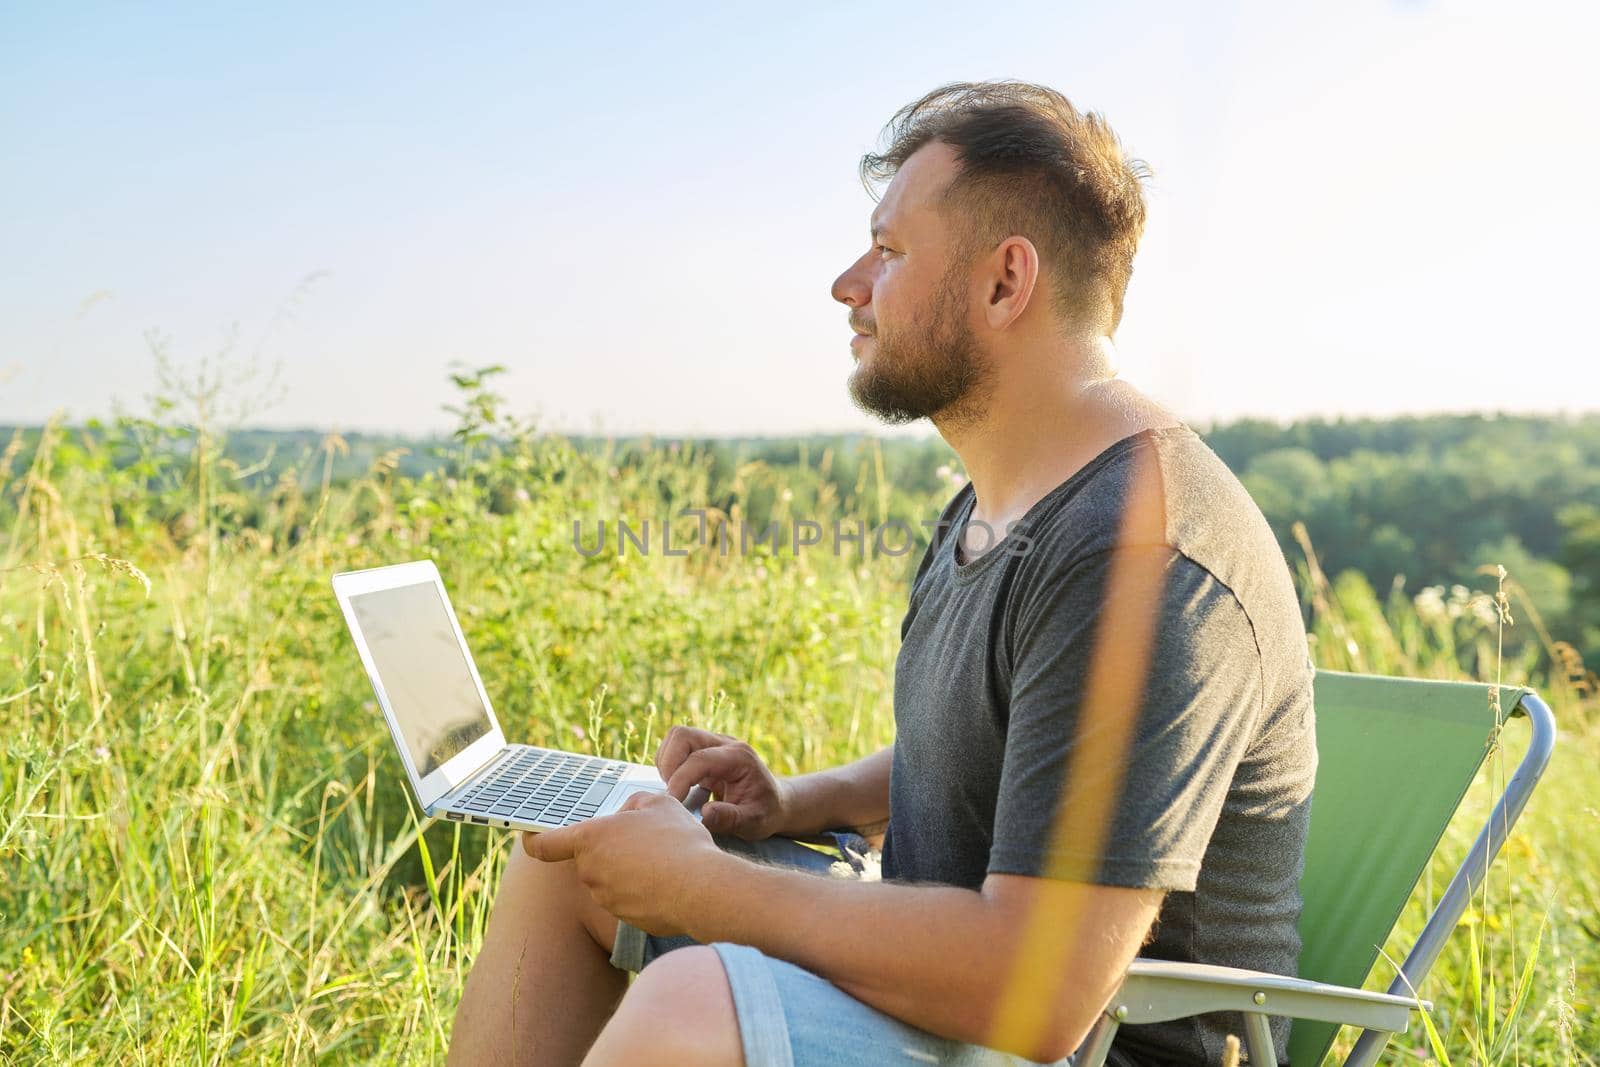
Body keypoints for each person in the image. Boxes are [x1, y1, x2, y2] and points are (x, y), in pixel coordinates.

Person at [448, 81, 1316, 1067]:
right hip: (951, 998)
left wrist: (704, 885)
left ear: (1004, 282)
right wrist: (797, 804)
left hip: (1080, 1042)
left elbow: (1039, 993)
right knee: (576, 864)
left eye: (890, 250)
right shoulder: (1004, 498)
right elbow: (1008, 764)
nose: (847, 282)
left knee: (697, 1003)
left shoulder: (1140, 553)